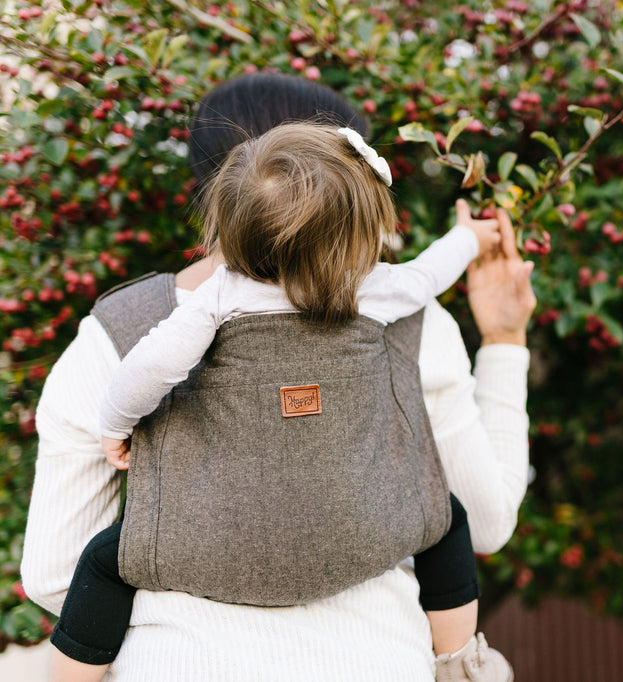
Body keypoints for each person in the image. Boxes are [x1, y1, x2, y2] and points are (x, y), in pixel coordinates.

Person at [21, 73, 536, 681]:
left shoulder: (116, 335)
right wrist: (504, 339)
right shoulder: (406, 317)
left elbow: (55, 576)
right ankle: (462, 664)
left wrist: (202, 558)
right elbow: (487, 520)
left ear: (216, 198)